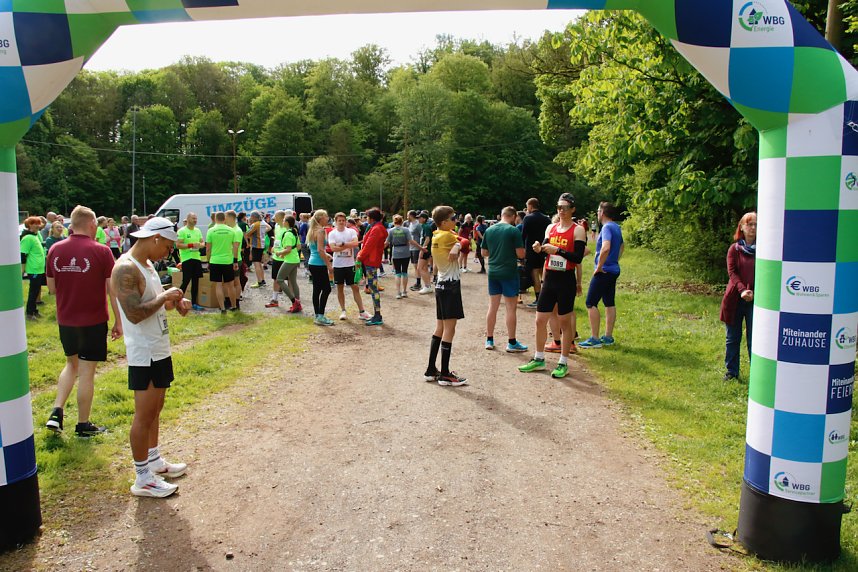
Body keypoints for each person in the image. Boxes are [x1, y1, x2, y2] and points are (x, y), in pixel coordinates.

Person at [112, 217, 191, 498]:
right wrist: (165, 296)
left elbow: (153, 304)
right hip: (143, 352)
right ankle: (142, 477)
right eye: (168, 247)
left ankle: (154, 460)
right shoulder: (125, 268)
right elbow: (134, 314)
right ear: (155, 238)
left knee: (156, 409)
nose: (169, 253)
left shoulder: (147, 265)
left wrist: (174, 302)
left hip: (159, 347)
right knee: (143, 415)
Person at [45, 205, 121, 436]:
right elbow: (112, 290)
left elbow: (51, 288)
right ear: (91, 224)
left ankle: (57, 410)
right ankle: (83, 424)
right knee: (87, 372)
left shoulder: (55, 249)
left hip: (66, 319)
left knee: (71, 364)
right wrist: (118, 321)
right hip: (93, 320)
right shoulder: (102, 251)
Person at [518, 193, 586, 379]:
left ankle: (563, 362)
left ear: (572, 209)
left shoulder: (578, 230)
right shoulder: (551, 227)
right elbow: (545, 252)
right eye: (559, 207)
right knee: (540, 320)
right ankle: (539, 358)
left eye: (565, 207)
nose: (561, 211)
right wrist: (538, 248)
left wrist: (558, 250)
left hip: (565, 280)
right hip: (549, 279)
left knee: (564, 323)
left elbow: (577, 257)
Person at [424, 205, 468, 386]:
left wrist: (457, 244)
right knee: (450, 329)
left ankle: (431, 369)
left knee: (440, 328)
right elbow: (466, 242)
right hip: (450, 286)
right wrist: (457, 244)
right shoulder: (448, 236)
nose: (456, 221)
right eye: (453, 218)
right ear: (444, 222)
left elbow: (461, 240)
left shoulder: (436, 235)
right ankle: (445, 374)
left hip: (441, 284)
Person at [482, 207, 528, 353]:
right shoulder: (513, 231)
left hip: (493, 272)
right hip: (509, 272)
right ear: (513, 216)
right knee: (510, 308)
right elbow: (520, 254)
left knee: (492, 307)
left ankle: (489, 339)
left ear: (501, 215)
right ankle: (511, 342)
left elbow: (484, 252)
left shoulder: (489, 230)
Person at [580, 203, 624, 349]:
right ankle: (608, 337)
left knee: (590, 302)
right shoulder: (616, 227)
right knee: (609, 302)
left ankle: (595, 338)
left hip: (604, 271)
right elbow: (622, 246)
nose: (597, 213)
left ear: (603, 212)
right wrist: (614, 260)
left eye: (598, 210)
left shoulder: (606, 228)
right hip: (613, 270)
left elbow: (606, 248)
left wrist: (599, 266)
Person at [719, 212, 756, 381]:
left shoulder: (765, 251)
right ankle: (731, 372)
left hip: (755, 300)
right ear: (741, 227)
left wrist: (753, 292)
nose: (753, 228)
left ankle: (757, 373)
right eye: (749, 224)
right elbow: (732, 273)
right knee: (733, 338)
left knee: (754, 339)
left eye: (756, 225)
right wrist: (742, 291)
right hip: (734, 299)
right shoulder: (734, 249)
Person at [327, 212, 371, 320]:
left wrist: (342, 244)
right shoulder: (332, 233)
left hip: (350, 264)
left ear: (346, 221)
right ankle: (343, 311)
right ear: (336, 221)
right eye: (339, 221)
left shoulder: (351, 231)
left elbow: (355, 244)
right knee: (340, 287)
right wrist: (346, 246)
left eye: (343, 220)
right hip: (338, 264)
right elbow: (332, 248)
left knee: (355, 287)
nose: (341, 222)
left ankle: (362, 311)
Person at [357, 207, 388, 326]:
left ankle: (377, 315)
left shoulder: (376, 229)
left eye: (367, 217)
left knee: (373, 288)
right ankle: (377, 314)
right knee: (373, 288)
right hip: (372, 260)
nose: (366, 219)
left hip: (371, 260)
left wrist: (359, 257)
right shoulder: (377, 227)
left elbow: (369, 245)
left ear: (372, 218)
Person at [205, 212, 239, 314]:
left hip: (215, 261)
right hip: (228, 261)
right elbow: (235, 247)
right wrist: (235, 261)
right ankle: (234, 306)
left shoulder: (211, 230)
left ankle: (223, 308)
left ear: (215, 219)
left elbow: (208, 248)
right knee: (230, 285)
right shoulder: (231, 230)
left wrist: (208, 260)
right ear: (224, 219)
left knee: (218, 285)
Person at [521, 198, 552, 308]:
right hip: (544, 248)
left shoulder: (528, 218)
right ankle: (547, 297)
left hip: (531, 250)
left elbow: (523, 235)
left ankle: (539, 299)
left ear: (530, 206)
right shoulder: (546, 219)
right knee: (543, 274)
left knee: (535, 274)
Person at [307, 210, 335, 326]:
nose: (328, 218)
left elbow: (315, 249)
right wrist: (329, 265)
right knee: (327, 289)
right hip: (319, 264)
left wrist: (327, 255)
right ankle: (320, 316)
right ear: (320, 218)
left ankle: (318, 315)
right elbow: (320, 250)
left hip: (313, 262)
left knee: (317, 289)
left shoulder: (313, 230)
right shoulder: (320, 230)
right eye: (326, 216)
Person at [270, 215, 303, 313]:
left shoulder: (288, 234)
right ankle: (298, 303)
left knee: (279, 279)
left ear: (287, 223)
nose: (283, 222)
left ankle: (294, 301)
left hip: (290, 260)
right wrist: (286, 253)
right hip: (294, 259)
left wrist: (279, 253)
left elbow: (288, 249)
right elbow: (298, 246)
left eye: (284, 220)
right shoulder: (294, 231)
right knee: (293, 281)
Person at [386, 214, 423, 299]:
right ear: (402, 221)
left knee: (397, 273)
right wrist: (421, 248)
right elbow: (411, 241)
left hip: (396, 252)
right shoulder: (406, 230)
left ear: (394, 221)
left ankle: (398, 292)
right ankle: (404, 291)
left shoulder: (391, 230)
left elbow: (387, 243)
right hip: (406, 252)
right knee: (404, 272)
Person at [177, 212, 205, 311]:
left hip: (196, 258)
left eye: (196, 218)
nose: (195, 220)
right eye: (193, 218)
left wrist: (200, 245)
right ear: (188, 219)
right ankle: (177, 301)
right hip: (187, 259)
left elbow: (202, 242)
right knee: (186, 281)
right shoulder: (182, 231)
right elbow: (178, 245)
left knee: (196, 281)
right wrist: (191, 245)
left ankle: (194, 303)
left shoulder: (197, 230)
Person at [20, 216, 46, 320]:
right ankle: (29, 313)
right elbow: (22, 255)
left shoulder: (35, 236)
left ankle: (34, 310)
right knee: (33, 292)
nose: (38, 225)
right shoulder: (27, 238)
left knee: (36, 290)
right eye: (35, 223)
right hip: (33, 269)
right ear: (29, 225)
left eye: (39, 223)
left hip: (39, 268)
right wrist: (22, 270)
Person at [266, 211, 288, 308]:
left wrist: (284, 252)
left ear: (281, 217)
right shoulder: (276, 226)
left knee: (290, 280)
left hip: (285, 257)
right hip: (276, 256)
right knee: (275, 279)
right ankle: (274, 299)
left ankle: (295, 301)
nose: (274, 217)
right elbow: (276, 238)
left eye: (275, 216)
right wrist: (273, 247)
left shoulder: (287, 228)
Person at [245, 211, 270, 288]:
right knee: (259, 263)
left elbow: (247, 234)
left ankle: (259, 282)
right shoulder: (263, 223)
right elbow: (268, 228)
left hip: (256, 245)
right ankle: (262, 280)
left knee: (256, 264)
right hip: (262, 244)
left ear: (254, 217)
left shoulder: (255, 224)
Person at [416, 211, 434, 294]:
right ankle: (428, 286)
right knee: (425, 268)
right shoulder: (424, 226)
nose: (418, 219)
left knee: (420, 268)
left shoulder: (426, 226)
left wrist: (422, 249)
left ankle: (427, 286)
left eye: (419, 218)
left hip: (425, 249)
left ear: (424, 219)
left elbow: (427, 238)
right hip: (427, 249)